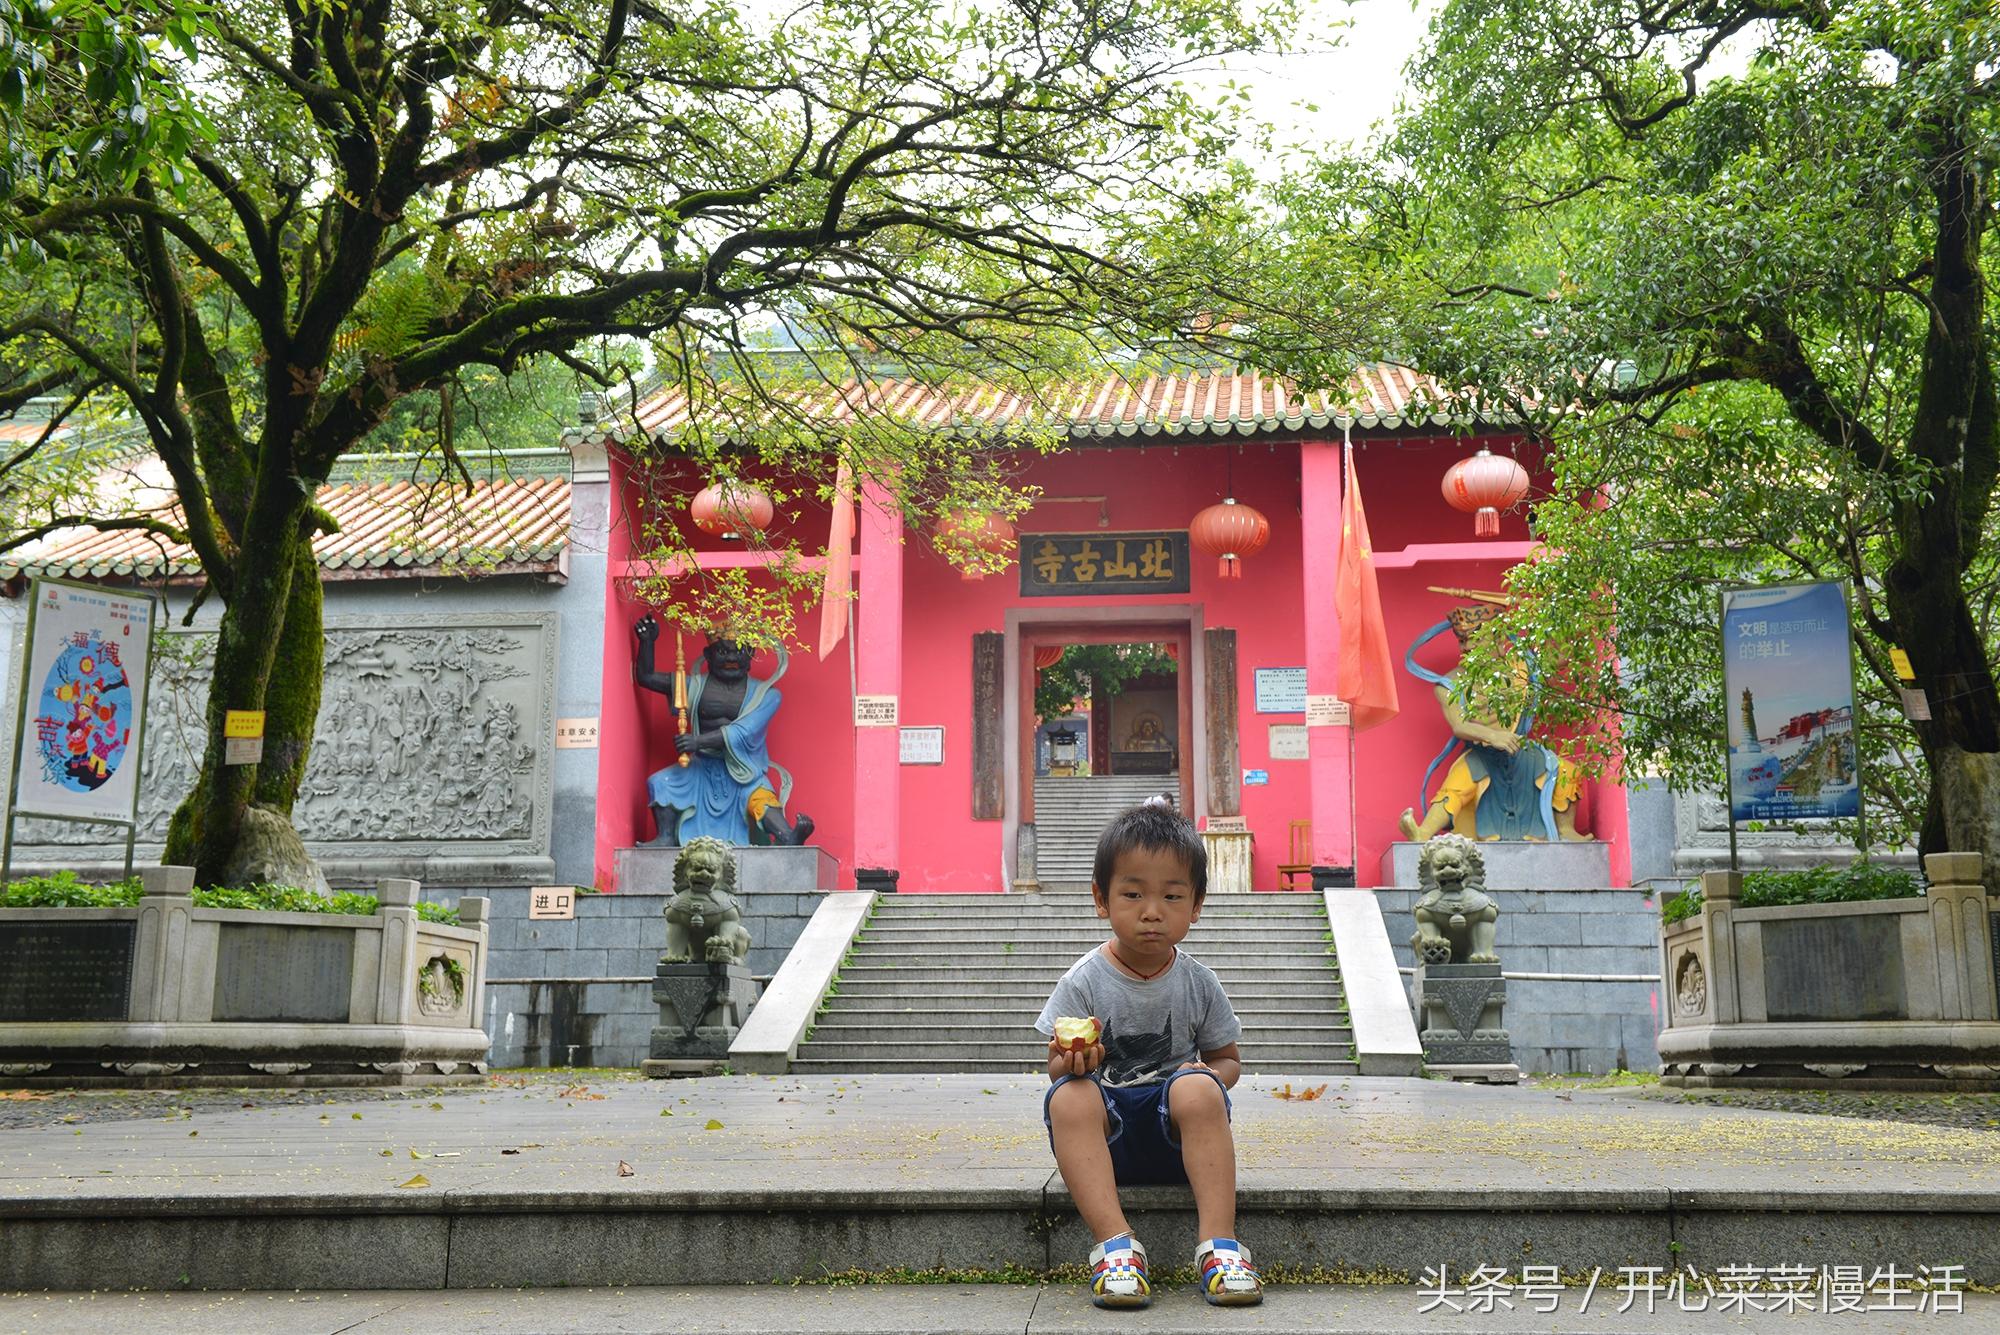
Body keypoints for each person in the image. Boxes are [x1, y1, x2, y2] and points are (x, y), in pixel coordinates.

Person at [1034, 804, 1261, 1310]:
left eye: (1172, 896)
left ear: (1196, 904)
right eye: (1133, 894)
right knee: (1067, 1096)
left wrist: (1206, 1075)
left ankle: (1220, 1247)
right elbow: (1053, 1066)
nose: (1152, 911)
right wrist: (1070, 1061)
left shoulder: (1199, 983)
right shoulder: (1084, 980)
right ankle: (1116, 1248)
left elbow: (1229, 1061)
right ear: (1101, 899)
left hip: (1176, 1138)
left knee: (1198, 1085)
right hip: (1106, 1140)